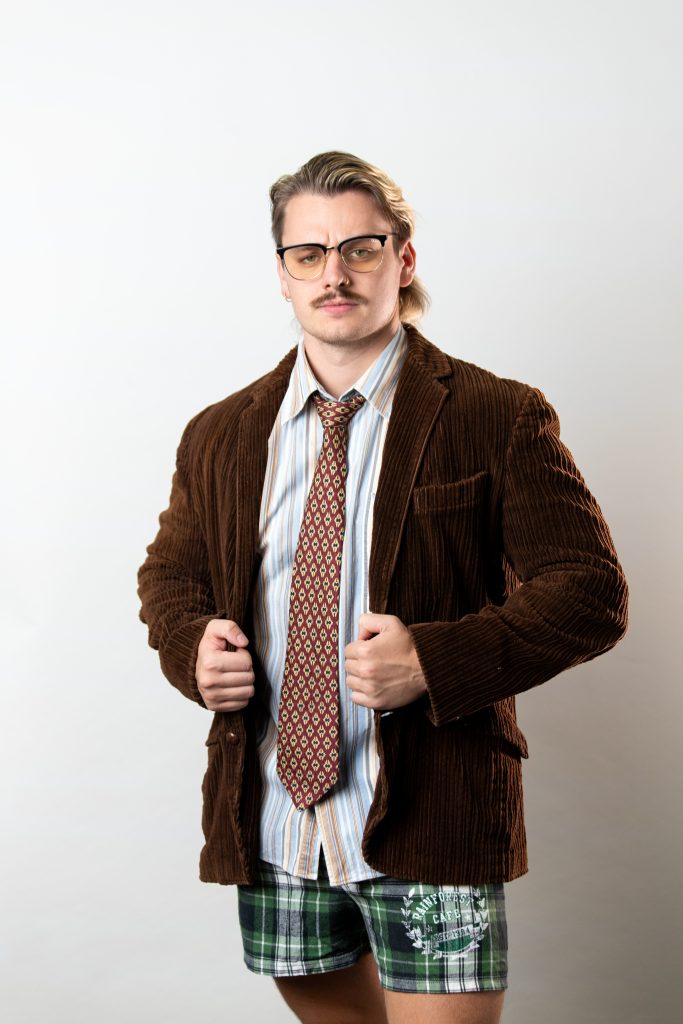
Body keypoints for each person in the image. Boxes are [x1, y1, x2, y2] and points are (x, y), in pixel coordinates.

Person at [137, 151, 628, 1024]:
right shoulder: (219, 432)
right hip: (274, 817)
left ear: (402, 260)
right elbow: (170, 575)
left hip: (432, 810)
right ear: (282, 274)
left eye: (359, 248)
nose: (334, 274)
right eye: (308, 254)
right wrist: (191, 645)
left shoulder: (495, 413)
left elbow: (588, 591)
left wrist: (434, 661)